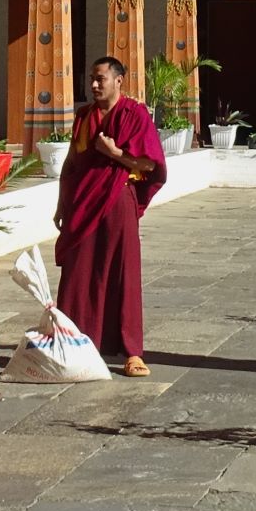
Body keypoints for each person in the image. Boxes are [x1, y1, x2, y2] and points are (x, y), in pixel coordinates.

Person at [54, 55, 166, 377]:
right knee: (78, 273)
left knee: (123, 270)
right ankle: (74, 342)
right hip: (82, 202)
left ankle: (132, 352)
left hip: (118, 200)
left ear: (119, 80)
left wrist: (115, 154)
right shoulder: (84, 115)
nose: (93, 85)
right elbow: (72, 162)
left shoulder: (134, 114)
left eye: (100, 78)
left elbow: (149, 165)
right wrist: (62, 203)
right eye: (92, 78)